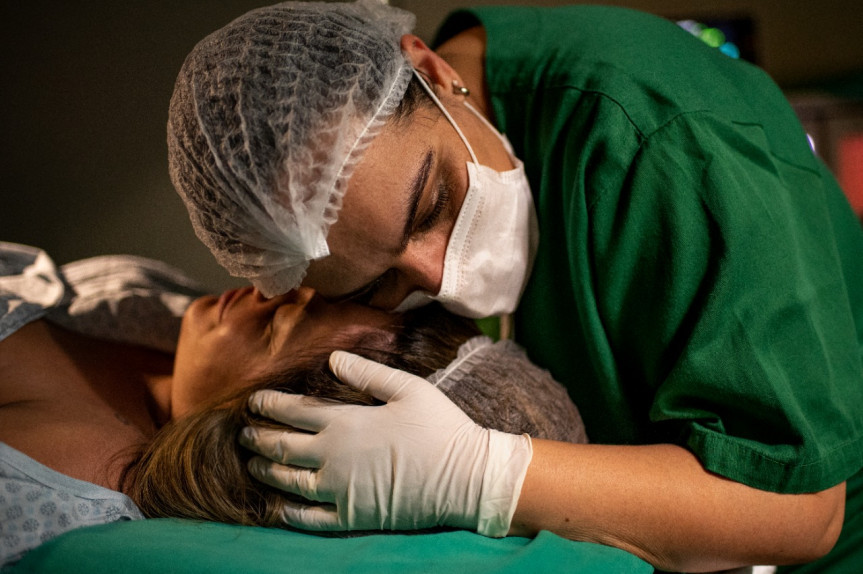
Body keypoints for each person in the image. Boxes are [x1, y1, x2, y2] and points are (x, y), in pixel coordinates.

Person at [167, 1, 863, 572]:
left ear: (432, 71)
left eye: (432, 204)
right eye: (378, 282)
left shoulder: (664, 140)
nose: (440, 277)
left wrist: (481, 475)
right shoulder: (393, 199)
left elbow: (799, 509)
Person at [0, 241, 586, 567]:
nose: (269, 287)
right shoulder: (167, 316)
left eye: (279, 322)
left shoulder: (56, 501)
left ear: (273, 419)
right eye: (310, 289)